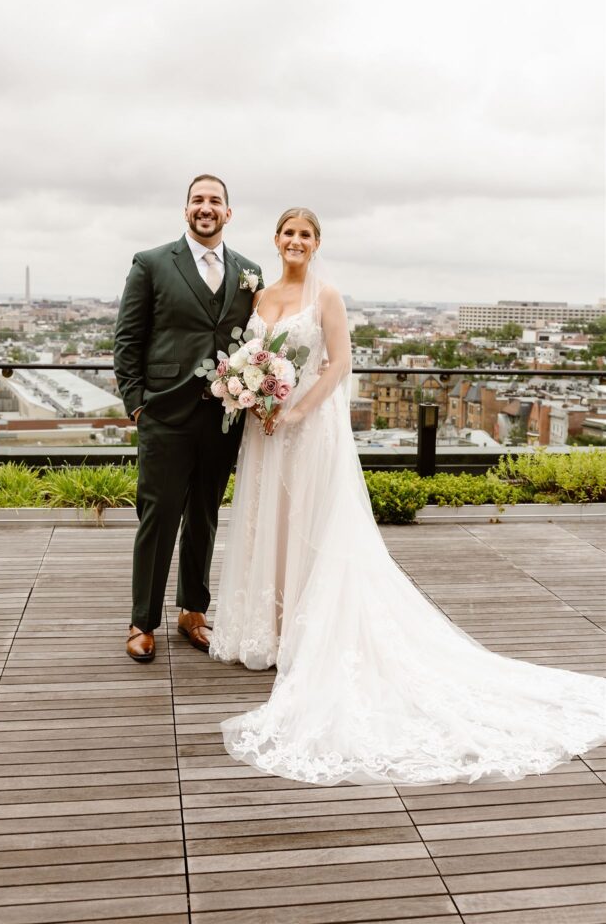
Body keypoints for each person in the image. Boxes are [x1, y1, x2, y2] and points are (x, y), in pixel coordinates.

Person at [210, 207, 606, 786]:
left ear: (317, 243)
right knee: (270, 518)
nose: (295, 241)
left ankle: (306, 628)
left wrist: (293, 409)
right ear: (275, 241)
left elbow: (340, 363)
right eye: (288, 233)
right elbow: (253, 359)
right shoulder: (260, 298)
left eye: (305, 235)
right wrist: (251, 396)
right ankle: (267, 630)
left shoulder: (327, 296)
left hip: (308, 428)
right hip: (264, 431)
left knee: (310, 523)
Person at [114, 175, 263, 663]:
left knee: (204, 515)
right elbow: (128, 339)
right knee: (157, 518)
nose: (206, 207)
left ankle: (192, 612)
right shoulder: (152, 264)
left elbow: (253, 341)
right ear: (185, 211)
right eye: (198, 200)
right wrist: (137, 402)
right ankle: (142, 620)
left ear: (228, 212)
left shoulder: (249, 272)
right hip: (165, 413)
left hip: (223, 416)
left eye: (214, 201)